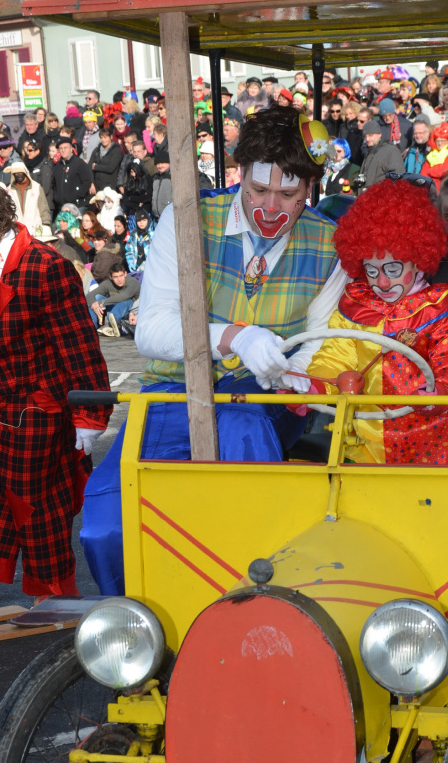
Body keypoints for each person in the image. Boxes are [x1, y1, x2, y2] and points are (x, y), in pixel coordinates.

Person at [81, 106, 346, 593]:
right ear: (239, 175)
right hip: (171, 392)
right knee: (107, 528)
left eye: (288, 194)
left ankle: (261, 605)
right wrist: (234, 336)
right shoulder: (186, 221)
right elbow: (152, 331)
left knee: (243, 435)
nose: (271, 206)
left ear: (310, 186)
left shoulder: (332, 244)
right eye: (258, 190)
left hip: (265, 397)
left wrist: (290, 375)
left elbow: (317, 344)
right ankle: (141, 639)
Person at [0, 180, 111, 623]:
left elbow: (79, 345)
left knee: (36, 504)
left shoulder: (45, 265)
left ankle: (55, 593)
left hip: (36, 407)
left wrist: (90, 413)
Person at [300, 179, 448, 464]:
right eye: (371, 269)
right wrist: (314, 387)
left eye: (393, 268)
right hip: (362, 444)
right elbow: (334, 357)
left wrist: (439, 392)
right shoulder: (356, 303)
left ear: (417, 260)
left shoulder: (439, 306)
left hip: (429, 446)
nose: (382, 281)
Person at [87, 259, 140, 337]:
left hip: (129, 310)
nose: (119, 279)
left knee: (125, 301)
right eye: (115, 277)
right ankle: (92, 326)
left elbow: (125, 295)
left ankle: (111, 324)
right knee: (96, 297)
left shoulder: (132, 282)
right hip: (110, 310)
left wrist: (101, 303)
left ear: (125, 274)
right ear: (110, 277)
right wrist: (94, 305)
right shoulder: (108, 283)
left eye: (121, 276)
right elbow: (89, 295)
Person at [6, 160, 51, 235]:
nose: (18, 175)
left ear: (25, 172)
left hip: (35, 229)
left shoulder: (37, 188)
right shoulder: (9, 191)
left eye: (20, 172)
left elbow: (44, 208)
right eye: (15, 173)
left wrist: (45, 224)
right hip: (17, 231)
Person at [358, 120, 404, 189]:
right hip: (367, 197)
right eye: (365, 136)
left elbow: (397, 179)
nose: (367, 139)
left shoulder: (390, 151)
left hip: (381, 197)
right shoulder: (369, 151)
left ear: (379, 134)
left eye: (370, 135)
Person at [52, 136, 93, 212]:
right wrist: (56, 197)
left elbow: (87, 182)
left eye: (65, 148)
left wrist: (76, 195)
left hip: (77, 205)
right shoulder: (57, 166)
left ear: (71, 149)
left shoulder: (79, 163)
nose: (63, 150)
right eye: (61, 148)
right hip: (62, 206)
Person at [421, 122, 448, 192]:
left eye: (443, 140)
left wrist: (430, 170)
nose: (440, 143)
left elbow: (444, 171)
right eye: (437, 141)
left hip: (444, 190)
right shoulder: (431, 154)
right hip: (429, 189)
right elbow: (423, 174)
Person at [89, 126, 123, 197]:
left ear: (111, 137)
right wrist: (91, 183)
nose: (103, 140)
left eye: (105, 137)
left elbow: (110, 168)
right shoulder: (96, 151)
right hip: (96, 187)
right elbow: (89, 167)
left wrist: (96, 167)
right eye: (101, 138)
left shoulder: (116, 150)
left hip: (110, 187)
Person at [151, 148, 173, 220]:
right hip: (157, 216)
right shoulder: (155, 178)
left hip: (169, 215)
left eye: (163, 163)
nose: (160, 166)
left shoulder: (172, 176)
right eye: (158, 164)